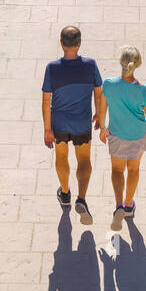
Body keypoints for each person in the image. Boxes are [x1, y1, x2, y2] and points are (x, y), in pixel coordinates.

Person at [98, 46, 146, 230]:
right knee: (133, 170)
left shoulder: (109, 84)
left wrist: (103, 127)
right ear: (138, 65)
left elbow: (102, 107)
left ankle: (118, 205)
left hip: (117, 134)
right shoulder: (143, 91)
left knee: (117, 171)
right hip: (138, 135)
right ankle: (128, 205)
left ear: (121, 62)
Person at [42, 25, 103, 224]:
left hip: (59, 123)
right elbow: (99, 92)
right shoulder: (90, 65)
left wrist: (47, 129)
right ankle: (82, 199)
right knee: (84, 160)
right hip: (82, 122)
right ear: (79, 44)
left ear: (61, 43)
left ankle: (65, 193)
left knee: (61, 156)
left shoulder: (52, 68)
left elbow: (45, 100)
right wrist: (99, 115)